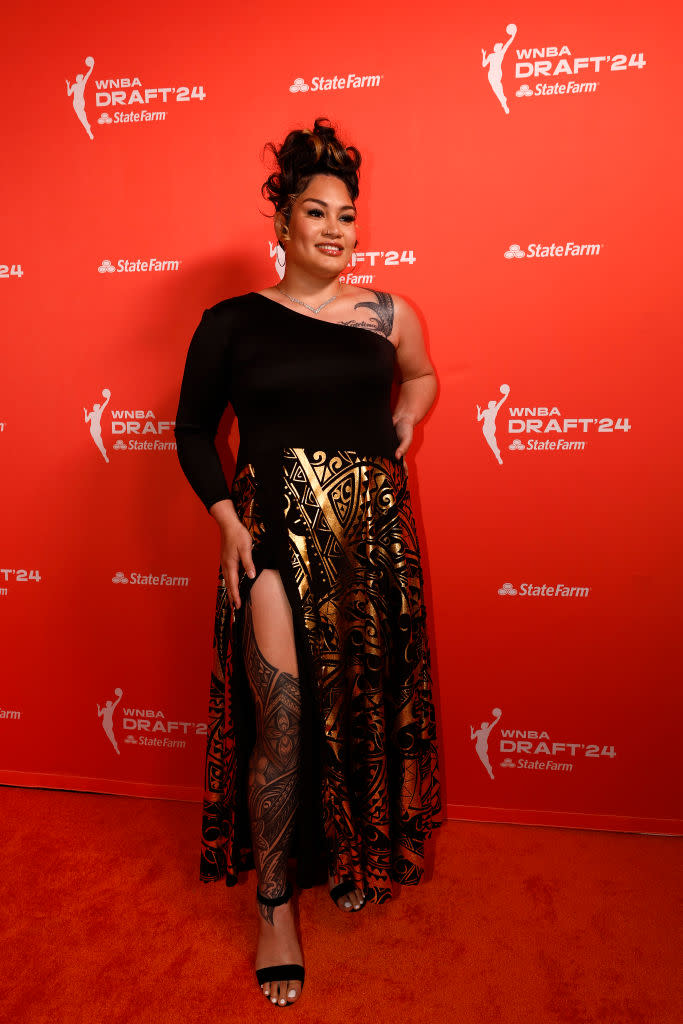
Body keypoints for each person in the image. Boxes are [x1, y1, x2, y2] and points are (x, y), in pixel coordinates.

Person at [174, 117, 442, 1008]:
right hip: (273, 533)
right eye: (316, 212)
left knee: (364, 707)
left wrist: (411, 410)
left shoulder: (388, 312)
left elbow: (422, 373)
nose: (336, 229)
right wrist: (225, 523)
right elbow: (191, 431)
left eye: (349, 215)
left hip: (372, 536)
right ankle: (276, 906)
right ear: (282, 226)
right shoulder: (232, 324)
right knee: (283, 721)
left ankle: (356, 854)